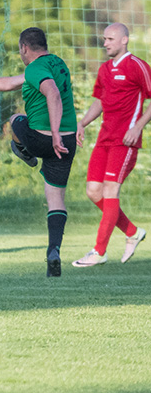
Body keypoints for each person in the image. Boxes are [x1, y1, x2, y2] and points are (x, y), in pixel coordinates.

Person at [0, 27, 78, 277]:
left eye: (19, 49)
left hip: (46, 139)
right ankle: (53, 251)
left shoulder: (36, 68)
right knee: (55, 199)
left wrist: (53, 133)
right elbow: (12, 82)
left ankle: (24, 152)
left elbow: (52, 93)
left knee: (15, 119)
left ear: (24, 48)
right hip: (67, 141)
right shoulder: (57, 63)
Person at [72, 23, 150, 267]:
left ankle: (99, 251)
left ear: (124, 40)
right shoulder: (105, 69)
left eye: (110, 39)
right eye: (104, 39)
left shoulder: (137, 65)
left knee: (109, 191)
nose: (105, 43)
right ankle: (132, 232)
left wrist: (137, 127)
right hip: (104, 140)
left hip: (124, 142)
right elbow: (100, 102)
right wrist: (82, 123)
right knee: (93, 192)